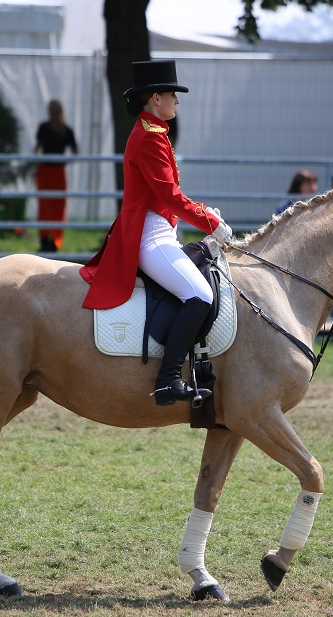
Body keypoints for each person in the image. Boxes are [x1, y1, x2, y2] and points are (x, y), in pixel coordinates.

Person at [79, 60, 232, 405]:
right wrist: (210, 221)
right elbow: (168, 196)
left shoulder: (154, 132)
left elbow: (168, 198)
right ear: (155, 97)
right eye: (173, 94)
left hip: (162, 230)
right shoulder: (148, 138)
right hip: (150, 236)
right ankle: (167, 380)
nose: (177, 100)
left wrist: (205, 214)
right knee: (200, 296)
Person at [34, 99, 78, 253]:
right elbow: (37, 148)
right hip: (44, 170)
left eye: (55, 112)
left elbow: (75, 151)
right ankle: (44, 239)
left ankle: (55, 240)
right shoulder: (44, 128)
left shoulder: (67, 131)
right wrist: (35, 165)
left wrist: (64, 161)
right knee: (45, 207)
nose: (52, 115)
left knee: (58, 208)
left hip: (58, 171)